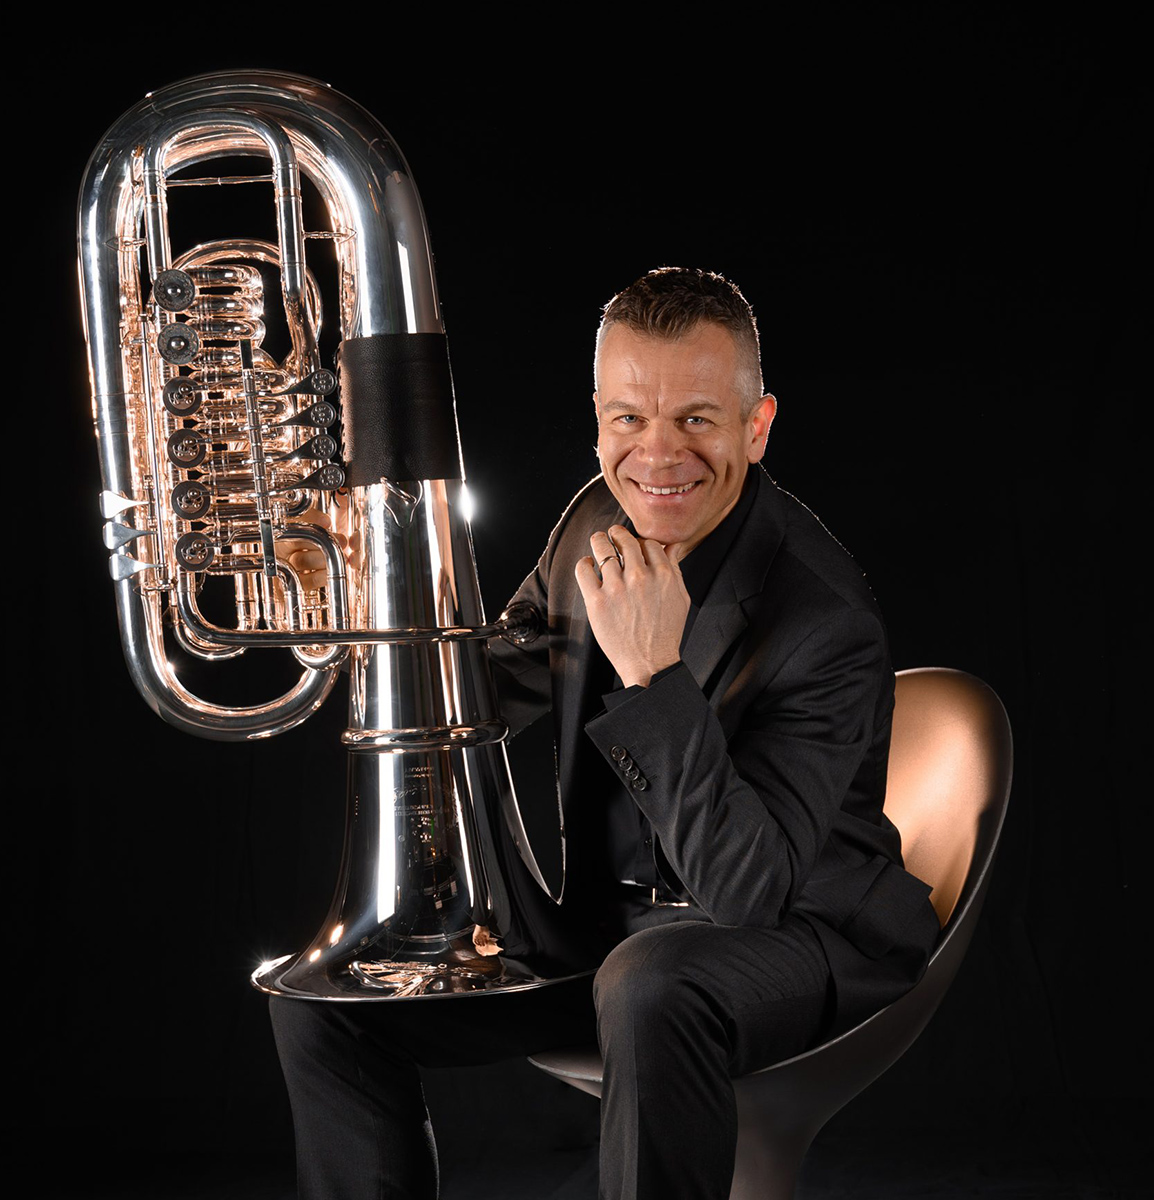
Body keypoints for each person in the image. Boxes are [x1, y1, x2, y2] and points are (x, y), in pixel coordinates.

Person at [270, 267, 942, 1200]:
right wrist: (350, 600)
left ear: (756, 425)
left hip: (805, 939)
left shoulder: (824, 621)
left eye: (696, 418)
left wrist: (653, 675)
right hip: (607, 935)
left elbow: (748, 894)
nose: (657, 454)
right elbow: (479, 697)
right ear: (598, 420)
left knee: (649, 981)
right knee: (328, 999)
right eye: (630, 417)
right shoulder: (593, 520)